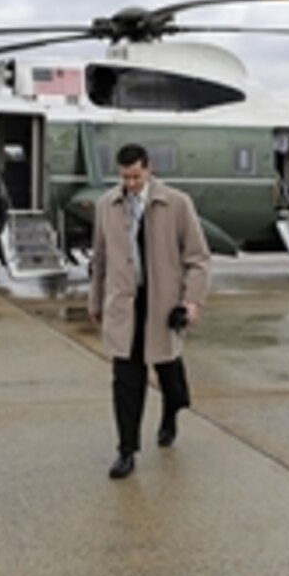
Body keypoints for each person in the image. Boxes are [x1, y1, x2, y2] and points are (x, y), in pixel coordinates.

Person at [88, 143, 211, 479]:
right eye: (124, 177)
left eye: (136, 176)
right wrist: (96, 302)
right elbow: (99, 259)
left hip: (163, 305)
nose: (130, 184)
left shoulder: (177, 204)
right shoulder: (106, 206)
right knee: (126, 380)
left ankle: (172, 409)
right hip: (123, 305)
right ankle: (126, 451)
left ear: (149, 169)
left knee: (170, 375)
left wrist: (192, 301)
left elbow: (198, 259)